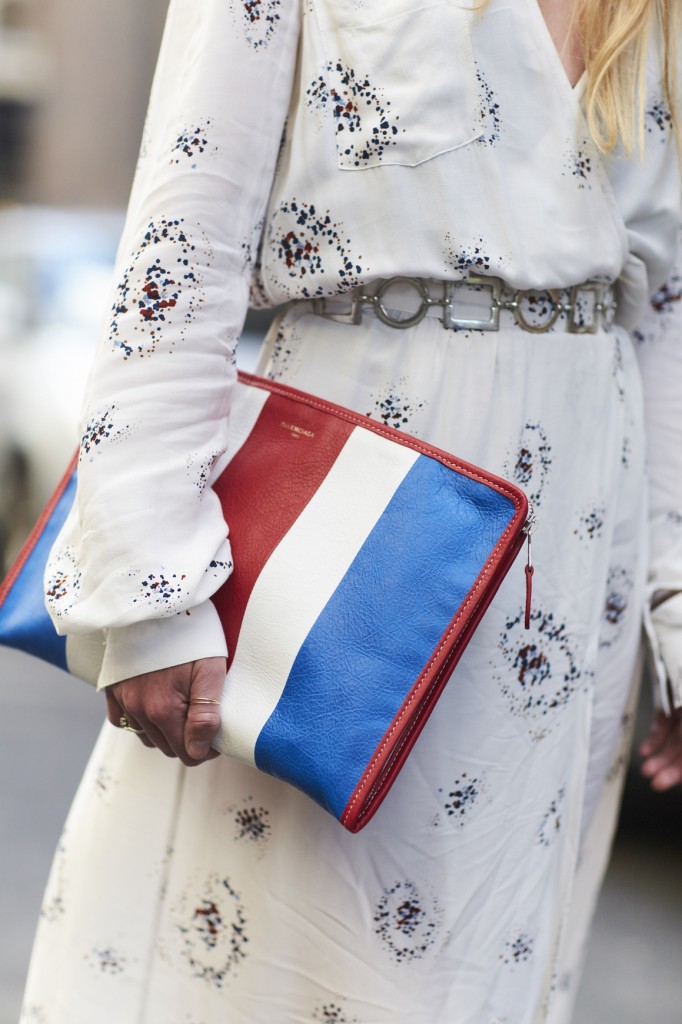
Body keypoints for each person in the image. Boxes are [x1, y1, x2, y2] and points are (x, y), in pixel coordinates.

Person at [19, 1, 682, 1021]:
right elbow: (180, 250)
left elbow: (667, 313)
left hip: (576, 557)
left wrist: (673, 604)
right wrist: (150, 586)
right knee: (266, 963)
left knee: (490, 970)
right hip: (346, 520)